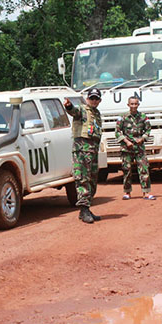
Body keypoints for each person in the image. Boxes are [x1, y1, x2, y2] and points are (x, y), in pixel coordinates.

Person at [63, 88, 103, 223]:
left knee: (92, 179)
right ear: (87, 99)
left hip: (93, 151)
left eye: (96, 99)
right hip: (82, 151)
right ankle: (84, 209)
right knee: (83, 179)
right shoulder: (82, 110)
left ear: (100, 100)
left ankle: (87, 208)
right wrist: (69, 106)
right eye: (91, 98)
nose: (94, 101)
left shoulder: (96, 113)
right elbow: (73, 111)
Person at [116, 96, 154, 200]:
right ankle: (127, 192)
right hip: (126, 149)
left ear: (138, 105)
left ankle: (146, 192)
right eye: (131, 104)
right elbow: (118, 132)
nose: (133, 106)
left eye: (135, 104)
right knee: (127, 170)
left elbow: (148, 130)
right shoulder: (123, 117)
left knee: (144, 169)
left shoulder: (143, 117)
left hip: (139, 148)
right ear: (128, 105)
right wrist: (126, 141)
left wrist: (142, 139)